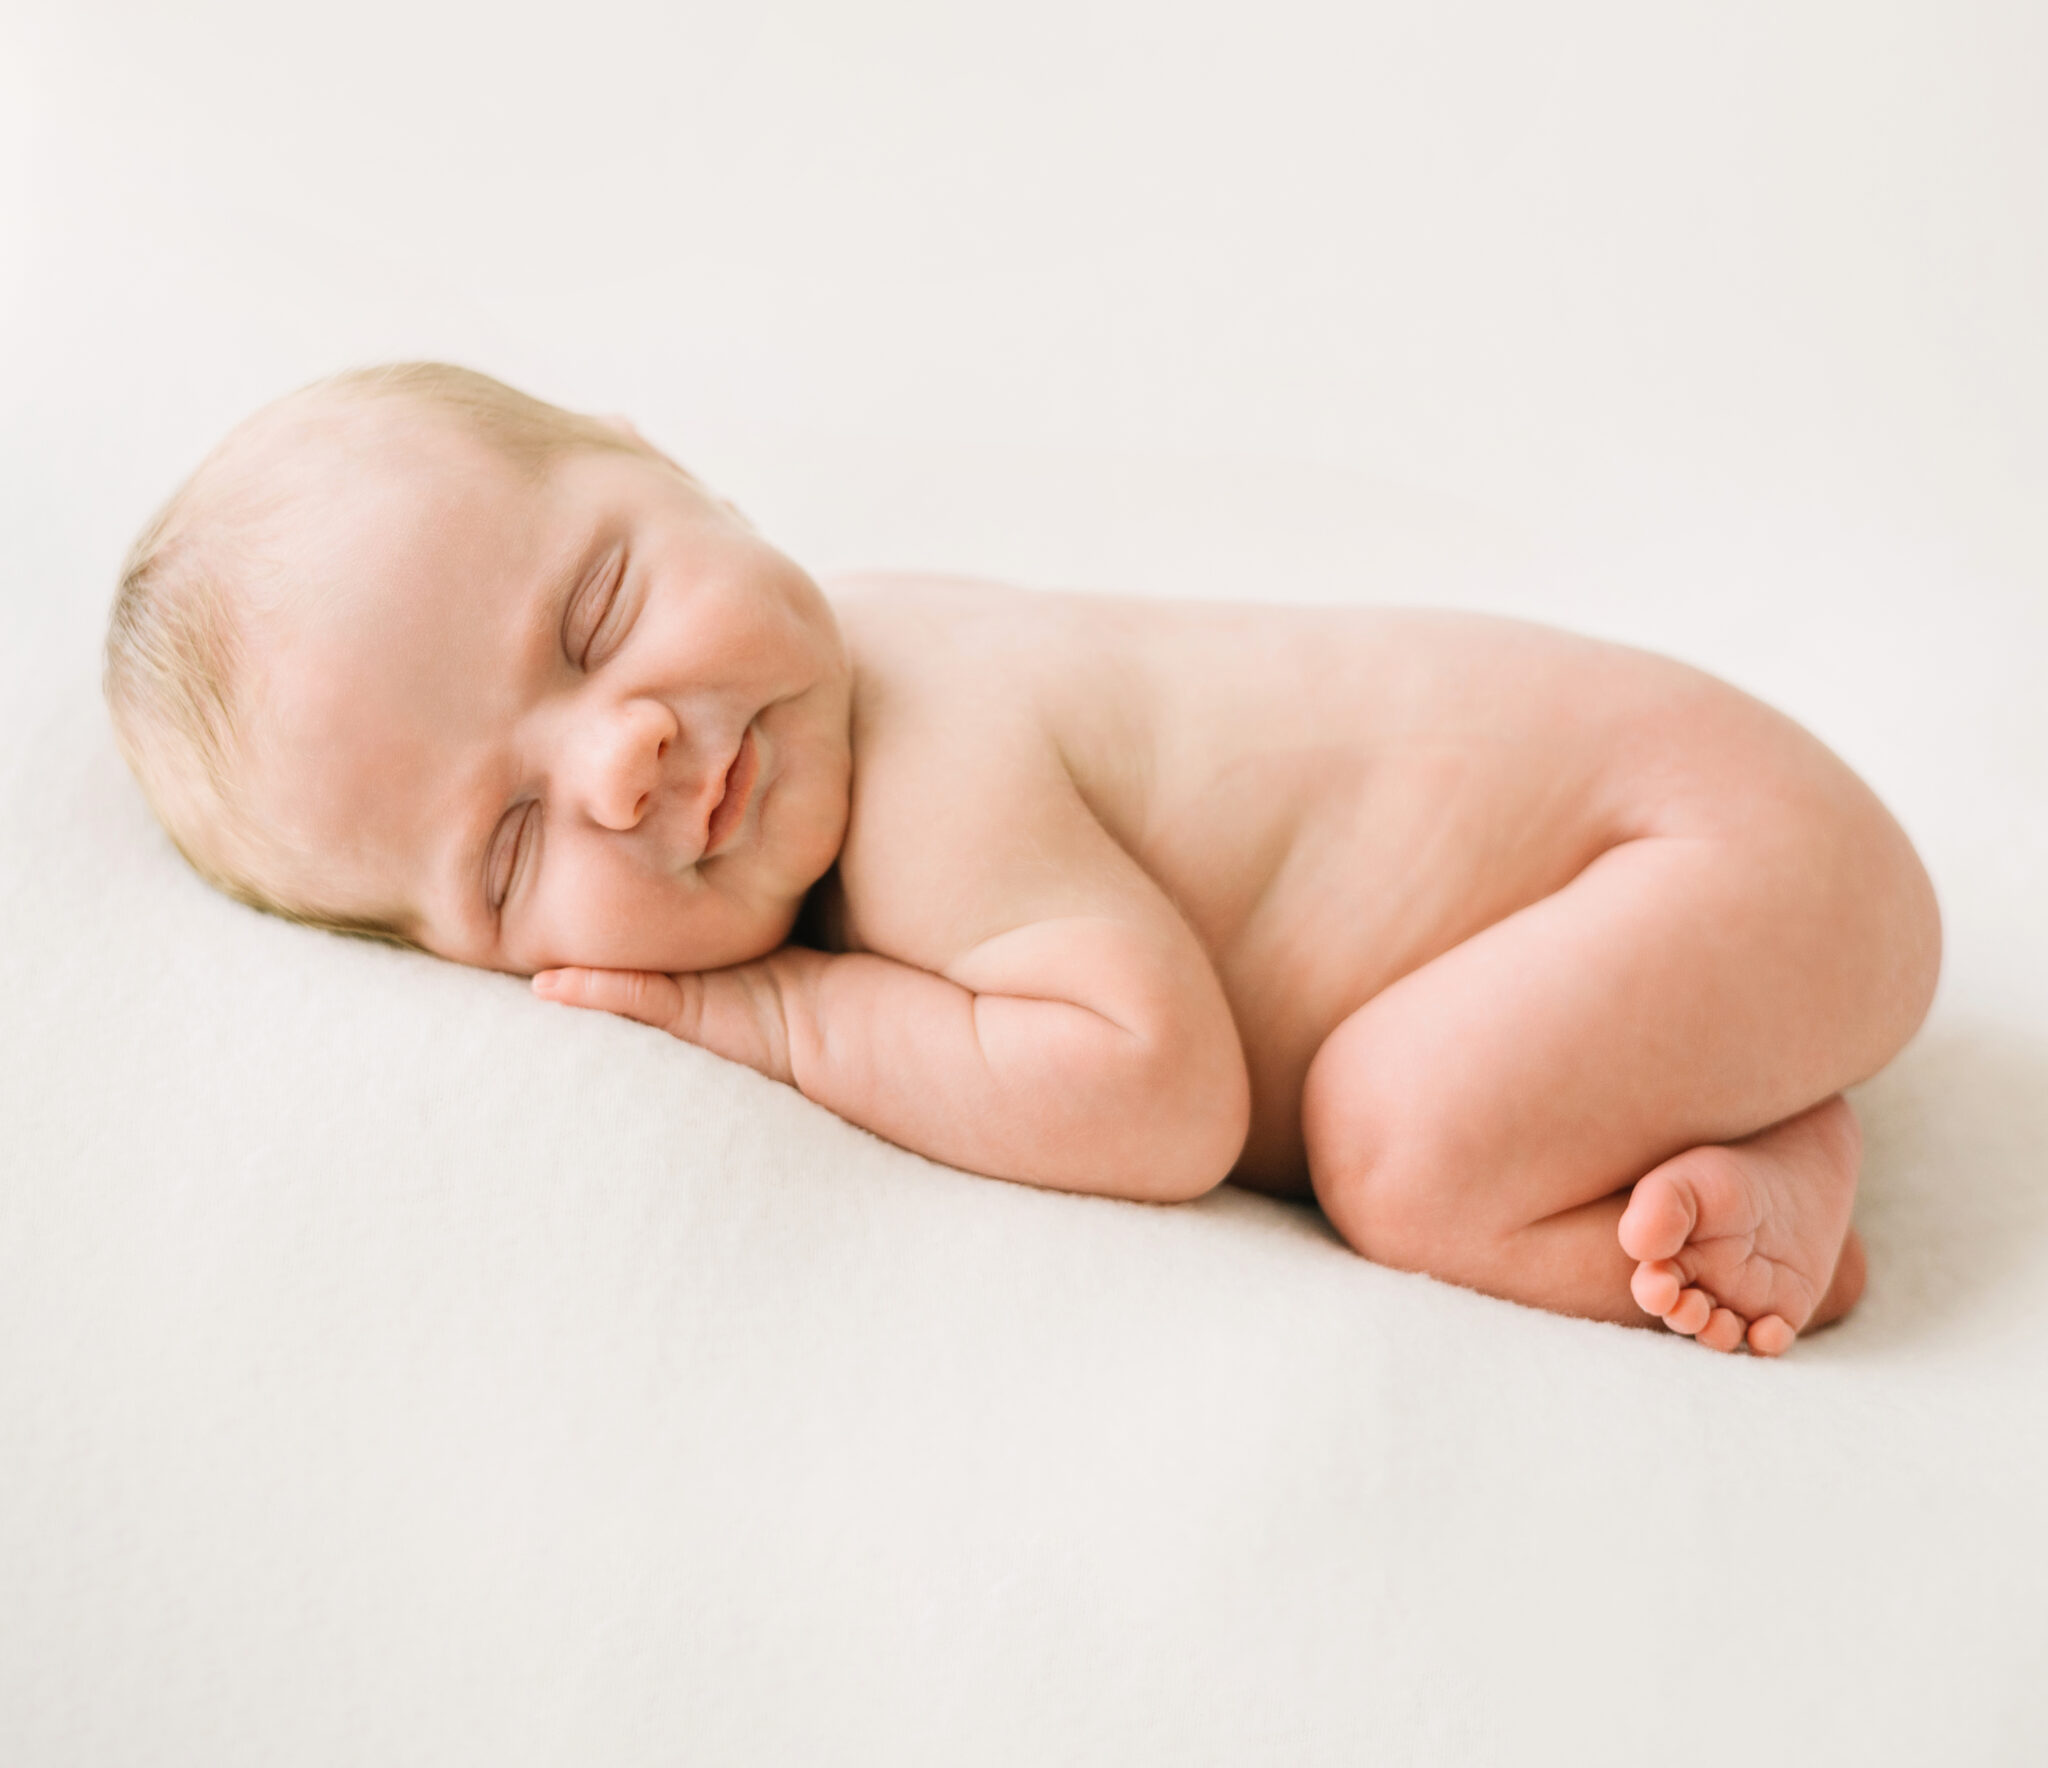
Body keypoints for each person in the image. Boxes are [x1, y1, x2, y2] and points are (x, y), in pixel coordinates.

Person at [106, 363, 1940, 1353]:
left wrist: (784, 1024)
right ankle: (1743, 1098)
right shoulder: (814, 699)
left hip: (1705, 852)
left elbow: (1157, 1098)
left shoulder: (929, 767)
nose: (624, 759)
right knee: (1418, 1100)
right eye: (509, 851)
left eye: (599, 607)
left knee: (1398, 1143)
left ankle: (1781, 1212)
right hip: (1696, 885)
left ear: (683, 473)